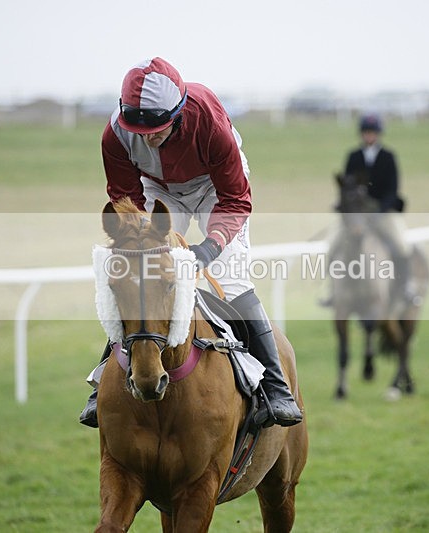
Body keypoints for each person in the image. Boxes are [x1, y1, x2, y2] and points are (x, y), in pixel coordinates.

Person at [79, 57, 302, 429]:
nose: (147, 137)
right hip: (157, 190)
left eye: (157, 130)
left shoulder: (210, 123)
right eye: (139, 130)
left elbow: (235, 199)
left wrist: (210, 247)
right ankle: (104, 379)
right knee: (138, 276)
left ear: (179, 112)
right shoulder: (114, 135)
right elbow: (125, 199)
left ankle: (276, 388)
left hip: (216, 187)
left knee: (231, 281)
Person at [325, 113, 415, 306]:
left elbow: (392, 190)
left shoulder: (388, 157)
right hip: (357, 215)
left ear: (378, 134)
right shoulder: (353, 156)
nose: (369, 135)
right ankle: (333, 291)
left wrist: (379, 211)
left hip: (383, 212)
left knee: (401, 244)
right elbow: (347, 186)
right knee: (333, 245)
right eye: (366, 132)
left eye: (372, 132)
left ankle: (406, 287)